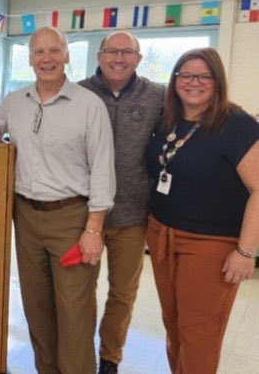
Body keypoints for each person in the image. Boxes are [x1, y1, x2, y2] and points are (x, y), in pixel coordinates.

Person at [0, 27, 116, 374]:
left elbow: (102, 170)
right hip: (26, 218)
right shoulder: (16, 101)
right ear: (30, 58)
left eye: (54, 51)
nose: (46, 59)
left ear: (67, 56)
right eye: (39, 52)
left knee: (74, 313)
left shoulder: (88, 105)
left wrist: (94, 229)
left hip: (72, 219)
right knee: (37, 310)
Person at [145, 48, 259, 374]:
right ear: (175, 80)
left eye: (204, 76)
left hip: (211, 244)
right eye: (186, 75)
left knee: (199, 335)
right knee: (174, 325)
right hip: (162, 233)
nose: (194, 82)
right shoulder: (169, 120)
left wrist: (246, 252)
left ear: (217, 81)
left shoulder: (236, 125)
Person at [78, 31, 165, 374]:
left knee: (123, 293)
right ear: (99, 56)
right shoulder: (79, 93)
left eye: (127, 52)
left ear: (139, 59)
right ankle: (78, 351)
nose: (119, 58)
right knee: (80, 292)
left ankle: (110, 358)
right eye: (112, 51)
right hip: (82, 215)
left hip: (132, 215)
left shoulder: (157, 96)